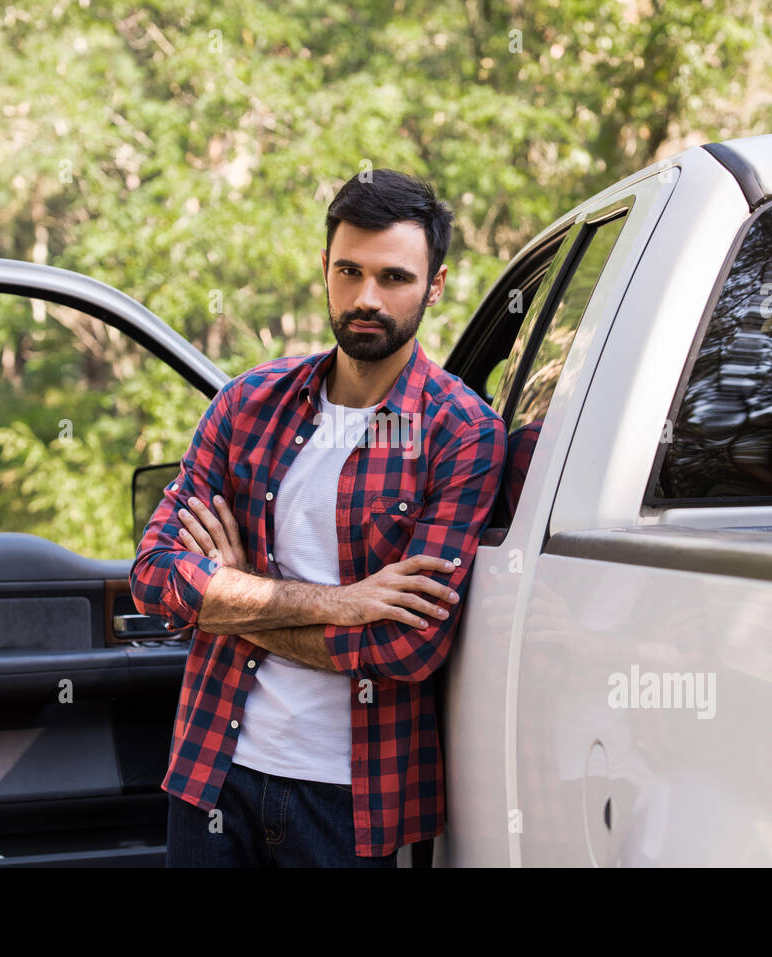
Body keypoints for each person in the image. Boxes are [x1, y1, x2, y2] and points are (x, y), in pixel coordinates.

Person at [130, 169, 507, 866]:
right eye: (349, 271)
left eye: (394, 276)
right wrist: (344, 602)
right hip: (214, 772)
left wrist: (233, 599)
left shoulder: (461, 433)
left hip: (350, 800)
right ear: (324, 271)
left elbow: (406, 649)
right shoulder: (248, 404)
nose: (367, 298)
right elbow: (155, 579)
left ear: (436, 284)